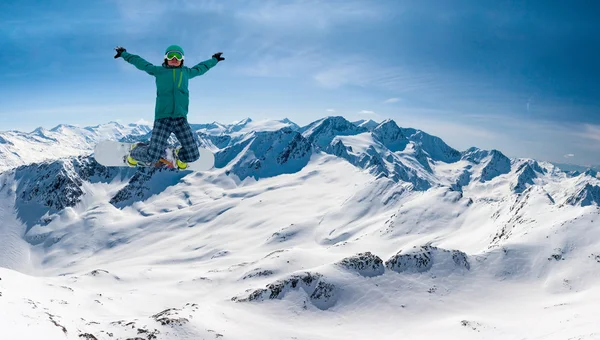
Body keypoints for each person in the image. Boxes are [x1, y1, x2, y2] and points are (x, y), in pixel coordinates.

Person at [113, 45, 224, 169]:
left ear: (182, 59)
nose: (175, 58)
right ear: (166, 58)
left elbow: (201, 68)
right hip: (163, 119)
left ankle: (178, 154)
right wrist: (124, 54)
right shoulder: (158, 71)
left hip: (180, 119)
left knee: (193, 155)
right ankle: (135, 152)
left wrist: (214, 60)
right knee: (152, 156)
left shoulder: (186, 72)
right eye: (171, 55)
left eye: (178, 56)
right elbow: (141, 63)